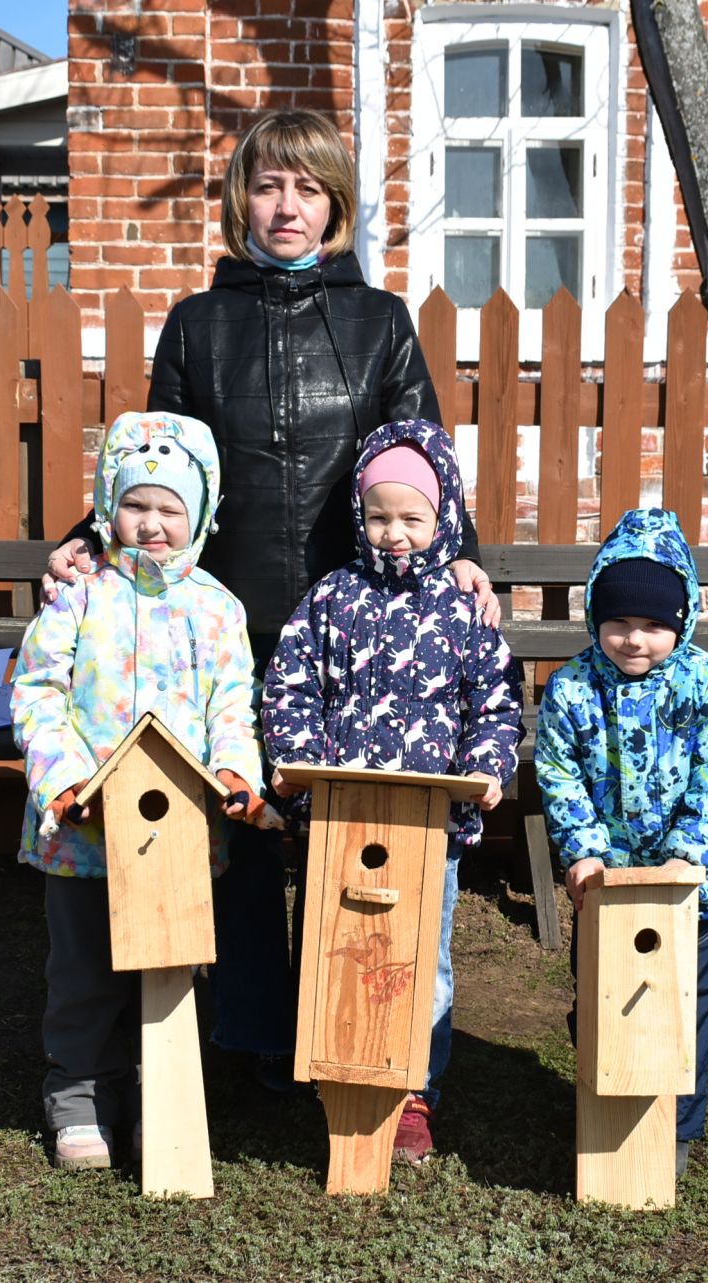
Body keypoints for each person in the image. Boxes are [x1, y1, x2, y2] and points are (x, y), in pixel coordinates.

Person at [47, 109, 502, 1083]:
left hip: (356, 636)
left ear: (335, 202)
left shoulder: (379, 322)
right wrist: (88, 541)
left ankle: (358, 1045)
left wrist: (458, 552)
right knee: (242, 830)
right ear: (240, 200)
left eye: (306, 187)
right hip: (228, 621)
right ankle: (247, 1043)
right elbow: (156, 464)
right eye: (267, 185)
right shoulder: (199, 324)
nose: (285, 206)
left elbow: (418, 457)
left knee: (353, 840)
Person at [12, 411, 272, 1171]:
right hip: (83, 830)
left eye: (169, 509)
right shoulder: (78, 599)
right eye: (135, 505)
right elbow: (37, 692)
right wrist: (61, 779)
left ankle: (159, 1099)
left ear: (198, 517)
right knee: (85, 969)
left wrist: (234, 773)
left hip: (173, 832)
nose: (151, 523)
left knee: (167, 967)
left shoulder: (217, 609)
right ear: (107, 507)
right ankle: (80, 1097)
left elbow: (234, 703)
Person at [260, 419, 525, 1163]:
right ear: (359, 517)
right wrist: (299, 764)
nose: (395, 533)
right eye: (379, 517)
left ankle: (414, 1091)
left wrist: (487, 768)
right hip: (342, 821)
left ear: (442, 520)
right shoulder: (331, 598)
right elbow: (290, 688)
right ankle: (338, 1072)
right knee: (337, 947)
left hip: (429, 827)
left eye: (412, 518)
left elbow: (497, 701)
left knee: (420, 959)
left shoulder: (463, 607)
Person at [533, 508, 708, 1178]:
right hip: (610, 885)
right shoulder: (573, 686)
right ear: (594, 616)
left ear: (681, 621)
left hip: (693, 884)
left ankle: (677, 1123)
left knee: (684, 998)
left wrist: (691, 852)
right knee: (605, 991)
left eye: (654, 625)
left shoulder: (707, 683)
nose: (634, 640)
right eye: (619, 622)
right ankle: (610, 1092)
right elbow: (558, 769)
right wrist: (582, 848)